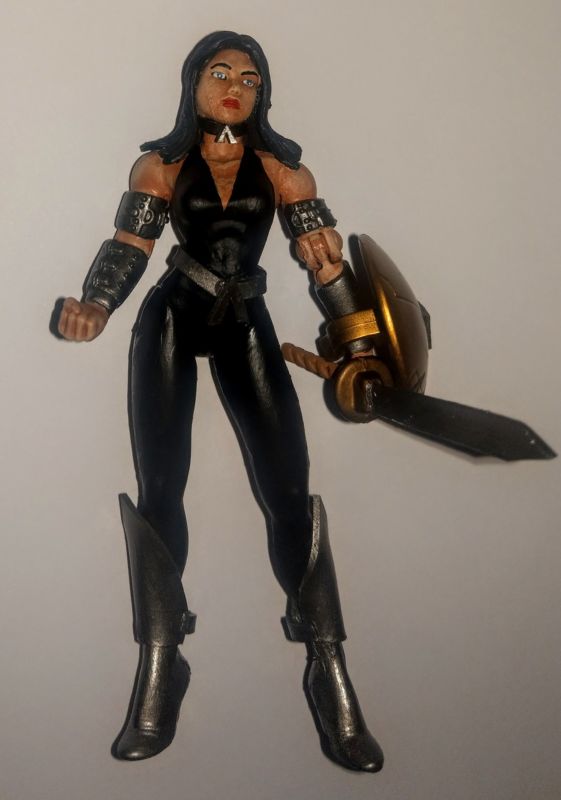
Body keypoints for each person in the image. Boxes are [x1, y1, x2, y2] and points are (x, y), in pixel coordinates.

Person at [58, 30, 383, 772]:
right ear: (193, 84)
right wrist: (97, 305)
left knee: (288, 489)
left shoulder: (284, 172)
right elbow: (129, 246)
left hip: (245, 320)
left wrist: (360, 343)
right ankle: (160, 661)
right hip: (173, 316)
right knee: (161, 488)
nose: (235, 87)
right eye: (219, 73)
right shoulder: (162, 166)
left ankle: (329, 665)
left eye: (249, 78)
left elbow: (324, 259)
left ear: (263, 92)